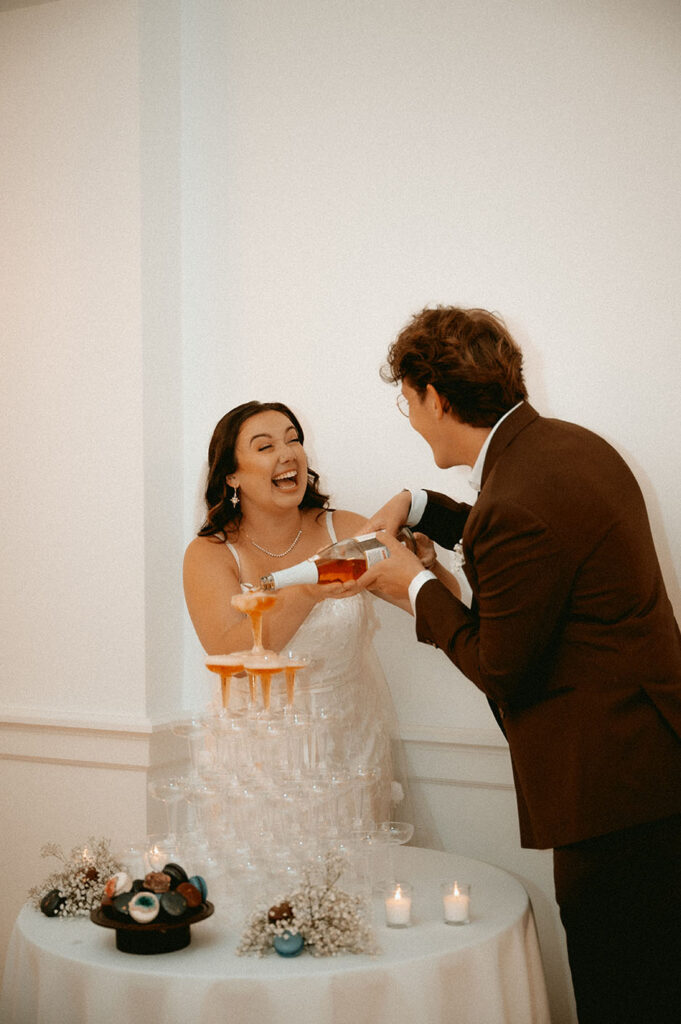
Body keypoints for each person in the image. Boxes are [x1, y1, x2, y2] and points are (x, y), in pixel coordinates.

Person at [347, 306, 681, 1024]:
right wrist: (421, 506)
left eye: (407, 402)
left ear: (436, 397)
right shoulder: (569, 448)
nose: (411, 419)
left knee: (625, 998)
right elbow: (533, 547)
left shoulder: (517, 496)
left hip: (612, 795)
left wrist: (413, 586)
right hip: (653, 768)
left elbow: (501, 667)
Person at [183, 399, 409, 825]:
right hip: (255, 761)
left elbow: (419, 598)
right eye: (265, 446)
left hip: (349, 752)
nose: (288, 454)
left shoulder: (345, 530)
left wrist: (429, 567)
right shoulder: (210, 553)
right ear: (231, 475)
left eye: (293, 440)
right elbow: (233, 660)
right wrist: (306, 593)